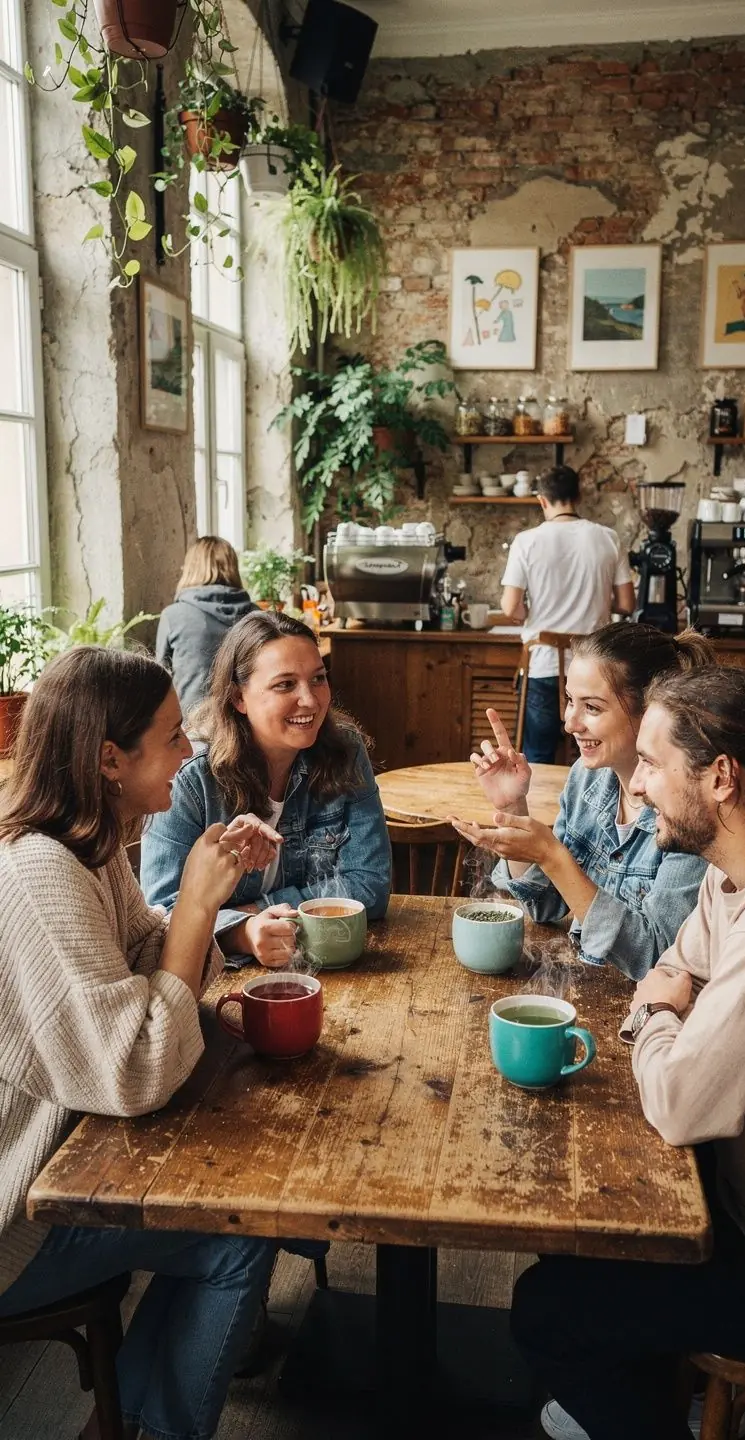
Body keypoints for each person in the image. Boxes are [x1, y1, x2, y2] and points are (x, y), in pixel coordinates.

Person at [510, 665, 745, 1440]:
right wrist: (669, 999)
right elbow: (672, 964)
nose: (637, 787)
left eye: (651, 763)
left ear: (721, 778)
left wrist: (653, 1017)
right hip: (741, 1202)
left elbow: (680, 1099)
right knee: (568, 1268)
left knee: (549, 1308)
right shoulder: (741, 868)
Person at [0, 646, 282, 1440]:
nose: (189, 753)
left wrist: (212, 906)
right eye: (172, 737)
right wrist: (196, 908)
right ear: (108, 759)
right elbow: (135, 1070)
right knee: (238, 1235)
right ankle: (147, 1430)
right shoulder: (40, 873)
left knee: (234, 1212)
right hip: (15, 1221)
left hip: (71, 1163)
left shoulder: (86, 847)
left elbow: (146, 959)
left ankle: (126, 1421)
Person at [452, 623, 715, 982]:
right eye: (570, 701)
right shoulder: (587, 777)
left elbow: (655, 956)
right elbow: (545, 905)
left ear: (651, 711)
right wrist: (514, 808)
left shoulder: (689, 810)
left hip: (649, 1016)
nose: (570, 723)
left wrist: (552, 855)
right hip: (584, 989)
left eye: (591, 707)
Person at [142, 609, 391, 967]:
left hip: (323, 966)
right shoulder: (190, 777)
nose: (310, 699)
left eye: (318, 679)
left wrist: (256, 910)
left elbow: (371, 886)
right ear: (238, 698)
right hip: (215, 981)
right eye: (285, 684)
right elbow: (162, 914)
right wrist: (242, 932)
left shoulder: (344, 751)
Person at [500, 465, 635, 763]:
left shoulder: (527, 541)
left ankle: (535, 809)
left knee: (538, 755)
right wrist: (594, 600)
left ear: (542, 500)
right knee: (596, 756)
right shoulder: (608, 538)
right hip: (594, 665)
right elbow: (626, 603)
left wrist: (528, 612)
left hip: (544, 664)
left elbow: (510, 607)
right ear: (578, 496)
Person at [156, 535, 257, 720]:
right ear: (233, 567)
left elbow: (159, 680)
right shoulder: (257, 616)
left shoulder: (174, 616)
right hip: (248, 723)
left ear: (190, 568)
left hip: (192, 728)